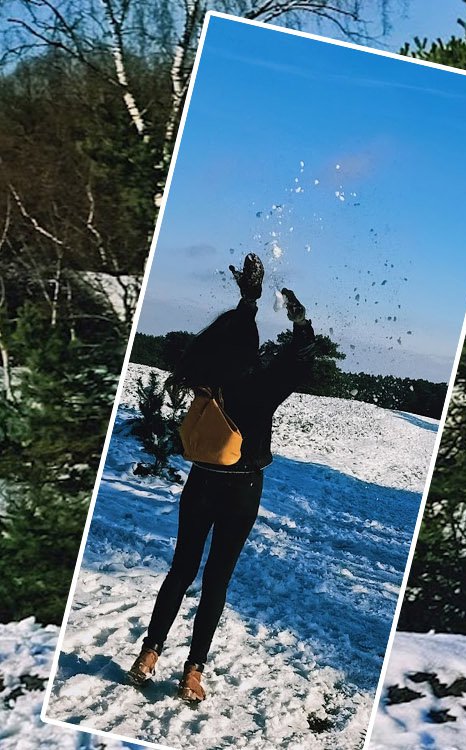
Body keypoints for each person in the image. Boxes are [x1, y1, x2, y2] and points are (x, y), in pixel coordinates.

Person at [125, 254, 317, 704]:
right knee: (216, 580)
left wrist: (248, 299)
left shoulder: (206, 375)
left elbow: (228, 334)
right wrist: (300, 319)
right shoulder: (262, 385)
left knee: (181, 570)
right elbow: (301, 357)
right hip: (242, 490)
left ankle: (149, 653)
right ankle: (193, 672)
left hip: (199, 482)